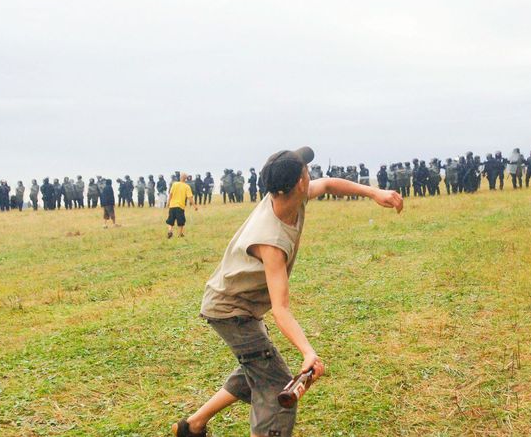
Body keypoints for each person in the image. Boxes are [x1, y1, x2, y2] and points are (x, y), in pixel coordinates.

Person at [172, 147, 403, 437]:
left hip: (238, 304)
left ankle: (192, 426)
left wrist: (374, 193)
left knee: (258, 367)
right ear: (300, 182)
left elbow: (330, 183)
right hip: (231, 311)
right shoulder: (271, 241)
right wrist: (308, 352)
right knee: (276, 385)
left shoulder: (291, 196)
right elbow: (281, 308)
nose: (311, 173)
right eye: (307, 170)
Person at [166, 172, 197, 239]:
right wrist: (195, 206)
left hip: (172, 205)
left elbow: (170, 194)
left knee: (170, 220)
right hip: (180, 206)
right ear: (186, 179)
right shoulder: (187, 186)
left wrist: (168, 203)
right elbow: (190, 197)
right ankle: (180, 234)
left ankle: (170, 231)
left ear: (180, 177)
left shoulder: (174, 184)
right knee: (181, 221)